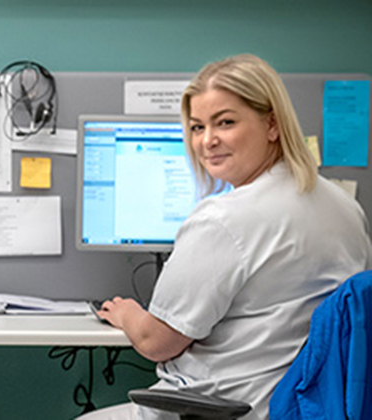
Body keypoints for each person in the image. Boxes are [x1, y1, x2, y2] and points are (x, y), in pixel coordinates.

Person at [80, 54, 372, 420]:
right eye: (197, 127)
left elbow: (158, 342)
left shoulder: (224, 218)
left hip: (229, 408)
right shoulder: (345, 206)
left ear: (272, 125)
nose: (207, 141)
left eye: (226, 122)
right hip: (305, 406)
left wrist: (126, 314)